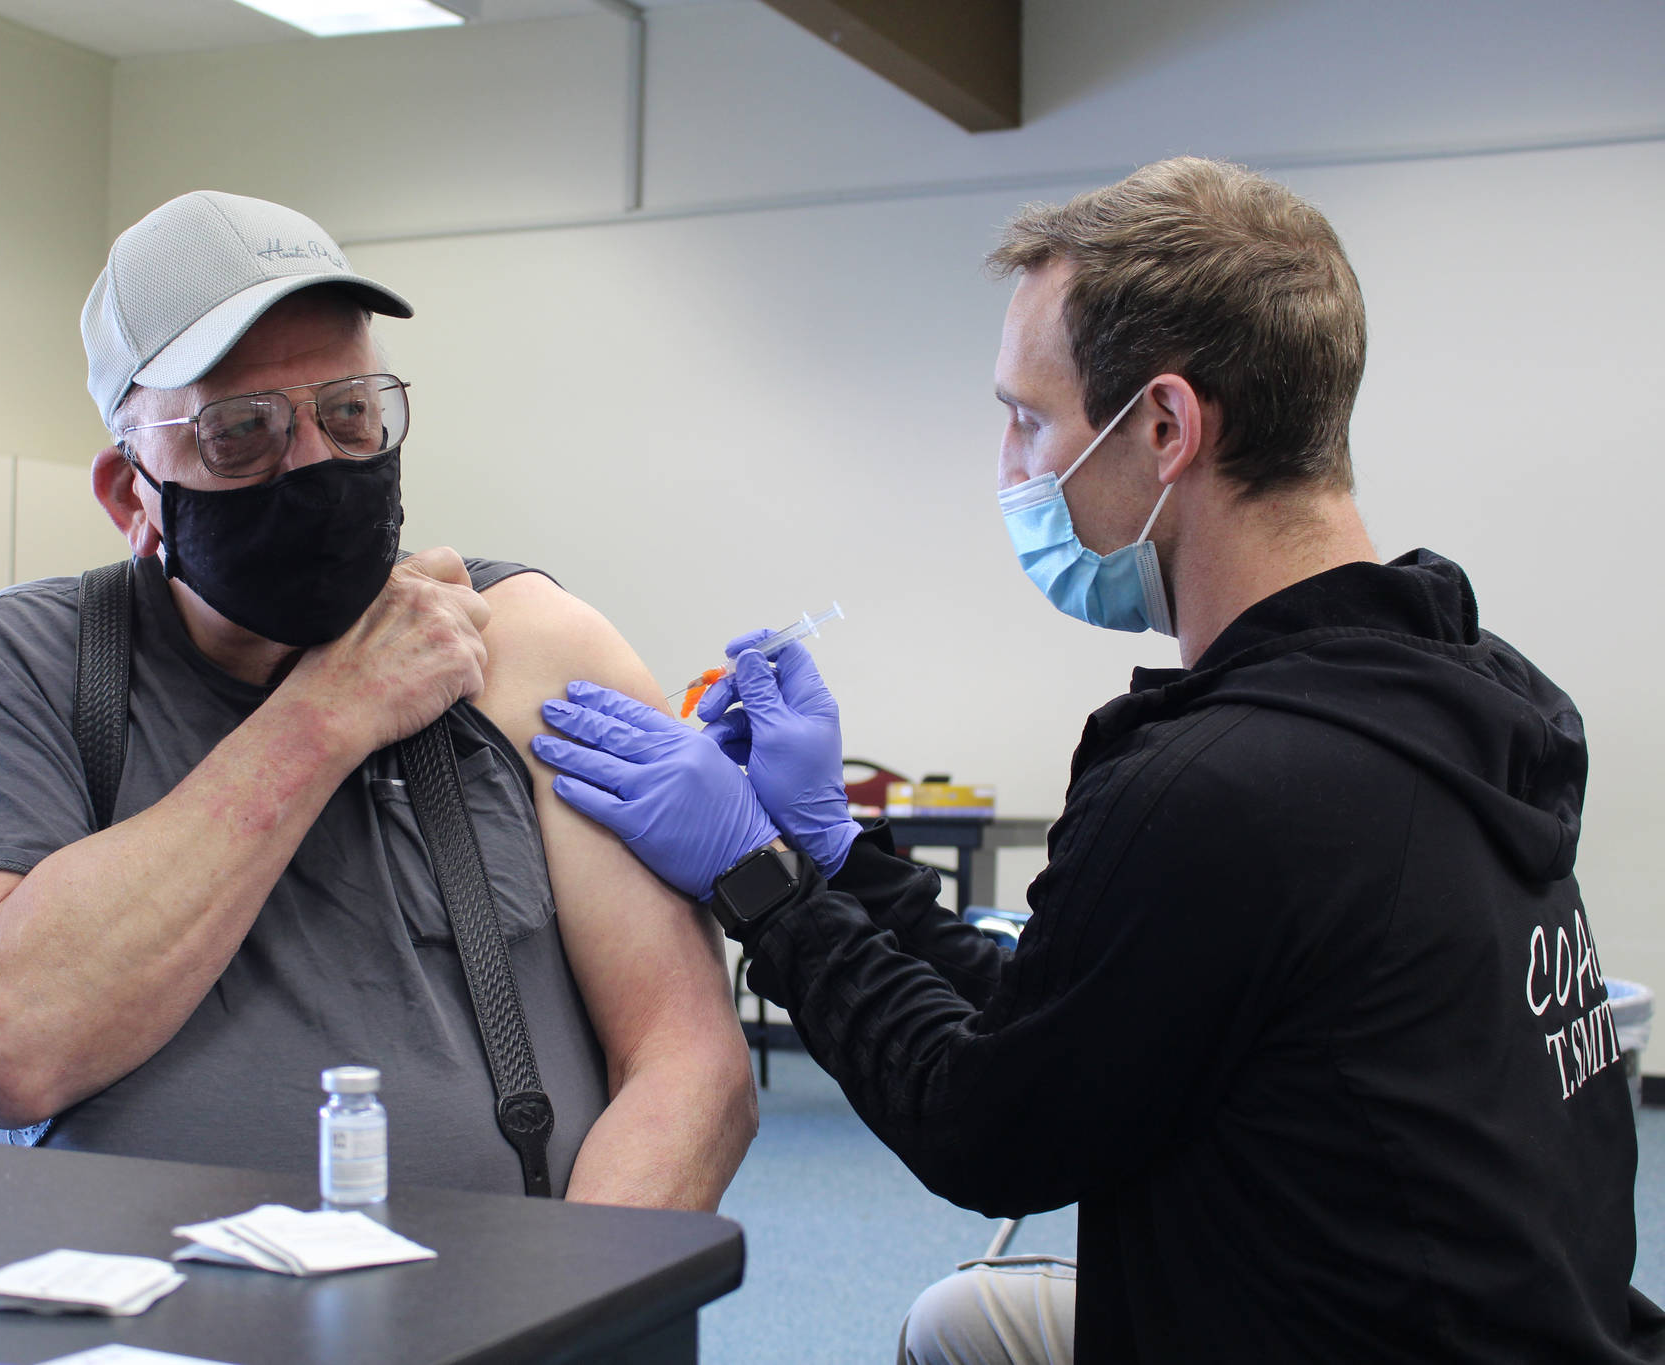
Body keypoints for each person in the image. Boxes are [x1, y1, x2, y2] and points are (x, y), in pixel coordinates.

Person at [534, 157, 1665, 1359]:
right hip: (1517, 1323)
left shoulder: (1228, 783)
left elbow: (986, 1127)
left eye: (1028, 419)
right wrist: (831, 848)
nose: (1009, 466)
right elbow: (1063, 1024)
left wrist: (753, 875)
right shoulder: (1454, 695)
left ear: (1166, 426)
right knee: (967, 1324)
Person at [0, 190, 755, 1209]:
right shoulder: (12, 669)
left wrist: (566, 1308)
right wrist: (326, 715)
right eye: (240, 431)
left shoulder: (530, 651)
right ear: (129, 494)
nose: (317, 465)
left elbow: (691, 1069)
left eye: (348, 414)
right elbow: (11, 1051)